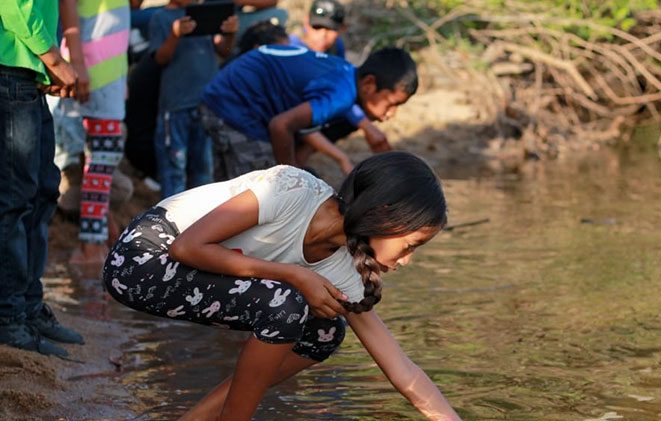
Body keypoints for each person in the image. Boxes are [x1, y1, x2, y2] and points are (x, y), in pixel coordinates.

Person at [103, 151, 526, 421]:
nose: (408, 260)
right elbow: (187, 246)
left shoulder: (347, 271)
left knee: (325, 332)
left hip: (194, 274)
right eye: (411, 244)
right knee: (286, 303)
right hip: (143, 258)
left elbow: (399, 365)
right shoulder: (291, 189)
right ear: (383, 215)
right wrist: (294, 274)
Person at [0, 0, 85, 357]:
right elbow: (14, 5)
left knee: (44, 192)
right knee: (14, 202)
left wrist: (48, 63)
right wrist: (55, 59)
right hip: (12, 68)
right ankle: (9, 318)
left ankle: (30, 309)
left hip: (28, 72)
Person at [201, 45, 415, 181]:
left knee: (228, 189)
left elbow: (301, 127)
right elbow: (280, 126)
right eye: (391, 104)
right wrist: (290, 176)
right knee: (261, 189)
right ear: (369, 84)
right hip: (237, 106)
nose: (391, 114)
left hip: (222, 97)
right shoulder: (340, 96)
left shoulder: (345, 72)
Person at [58, 0, 130, 264]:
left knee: (101, 160)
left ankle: (97, 235)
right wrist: (76, 63)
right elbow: (68, 3)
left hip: (110, 70)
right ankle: (90, 247)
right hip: (93, 67)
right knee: (102, 159)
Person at [288, 0, 393, 172]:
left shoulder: (336, 48)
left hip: (309, 113)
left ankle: (300, 159)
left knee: (346, 112)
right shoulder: (292, 49)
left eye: (330, 30)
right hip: (287, 114)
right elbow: (296, 117)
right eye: (317, 27)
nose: (323, 35)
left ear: (342, 29)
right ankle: (292, 163)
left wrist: (366, 125)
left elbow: (341, 90)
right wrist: (341, 158)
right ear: (306, 23)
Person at [149, 0, 238, 197]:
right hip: (175, 105)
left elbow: (224, 50)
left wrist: (230, 32)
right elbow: (160, 58)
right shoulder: (161, 17)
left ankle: (201, 223)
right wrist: (175, 34)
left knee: (204, 171)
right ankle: (171, 221)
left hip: (206, 105)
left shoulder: (204, 12)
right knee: (174, 169)